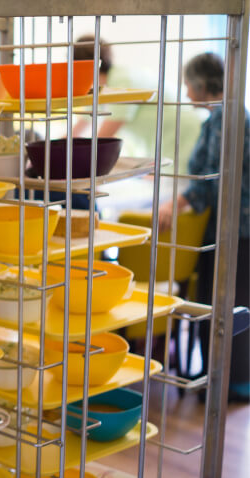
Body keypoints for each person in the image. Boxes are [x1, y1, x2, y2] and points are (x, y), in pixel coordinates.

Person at [159, 52, 249, 401]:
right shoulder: (229, 114)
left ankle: (227, 383)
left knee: (223, 306)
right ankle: (223, 378)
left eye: (187, 85)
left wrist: (174, 203)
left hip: (233, 231)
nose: (185, 92)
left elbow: (212, 179)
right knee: (227, 304)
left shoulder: (224, 118)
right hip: (233, 228)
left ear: (200, 85)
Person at [72, 35, 203, 174]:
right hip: (165, 136)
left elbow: (103, 138)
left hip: (180, 131)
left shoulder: (122, 80)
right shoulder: (101, 85)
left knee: (175, 180)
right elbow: (83, 123)